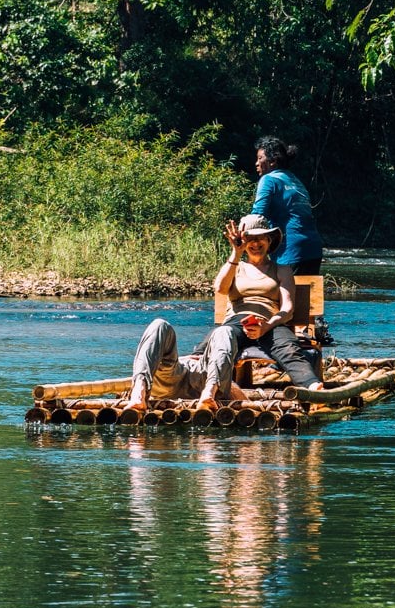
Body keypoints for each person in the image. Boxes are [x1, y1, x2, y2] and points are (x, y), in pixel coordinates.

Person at [124, 213, 322, 414]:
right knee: (220, 338)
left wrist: (267, 326)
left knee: (288, 348)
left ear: (269, 240)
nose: (255, 244)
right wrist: (235, 254)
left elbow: (287, 308)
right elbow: (220, 288)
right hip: (236, 322)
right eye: (249, 239)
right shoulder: (236, 266)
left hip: (270, 322)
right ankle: (199, 387)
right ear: (242, 241)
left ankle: (312, 387)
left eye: (260, 238)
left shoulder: (281, 269)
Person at [252, 136, 323, 274]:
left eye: (260, 158)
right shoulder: (296, 181)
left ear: (272, 161)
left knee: (285, 294)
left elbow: (257, 217)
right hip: (313, 249)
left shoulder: (268, 179)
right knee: (305, 295)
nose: (256, 163)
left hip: (290, 249)